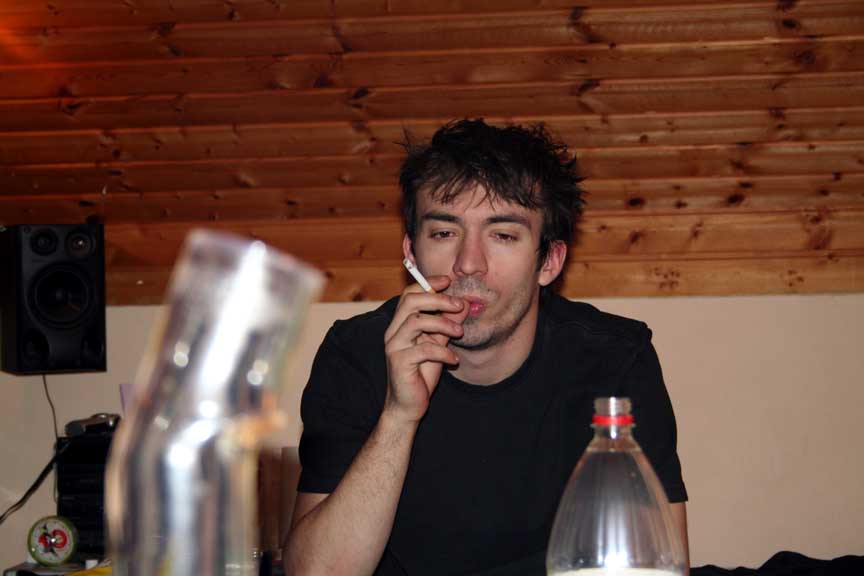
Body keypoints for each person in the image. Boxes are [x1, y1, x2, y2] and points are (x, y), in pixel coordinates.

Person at [283, 119, 689, 576]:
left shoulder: (616, 360)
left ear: (550, 261)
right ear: (411, 254)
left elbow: (659, 564)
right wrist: (399, 416)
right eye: (444, 233)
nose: (469, 263)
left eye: (503, 235)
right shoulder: (356, 353)